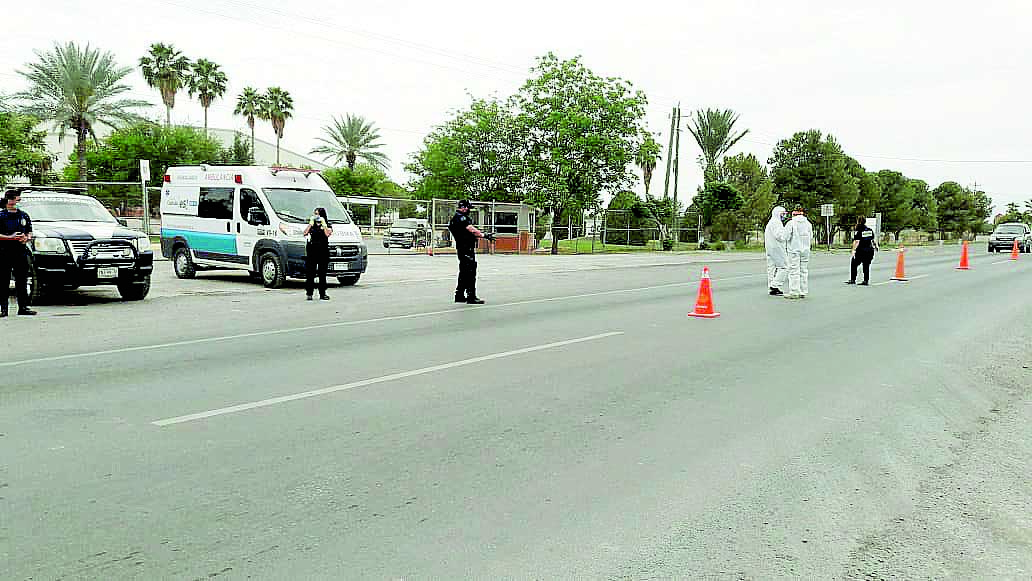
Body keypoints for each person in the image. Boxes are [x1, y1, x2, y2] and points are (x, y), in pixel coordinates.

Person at [447, 200, 493, 304]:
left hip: (463, 248)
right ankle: (471, 296)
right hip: (465, 248)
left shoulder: (456, 218)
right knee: (470, 272)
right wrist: (483, 235)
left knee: (463, 272)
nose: (469, 210)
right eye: (468, 208)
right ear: (463, 207)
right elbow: (470, 229)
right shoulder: (461, 218)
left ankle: (459, 295)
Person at [0, 191, 36, 317]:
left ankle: (23, 307)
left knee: (22, 280)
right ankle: (3, 308)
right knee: (3, 280)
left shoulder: (24, 216)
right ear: (10, 201)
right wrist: (10, 237)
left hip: (20, 252)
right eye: (17, 200)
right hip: (4, 252)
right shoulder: (1, 216)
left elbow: (30, 231)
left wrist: (27, 238)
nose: (18, 203)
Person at [783, 205, 813, 300]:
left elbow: (785, 237)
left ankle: (794, 291)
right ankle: (803, 290)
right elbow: (811, 236)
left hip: (794, 249)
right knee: (803, 270)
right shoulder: (808, 223)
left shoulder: (791, 223)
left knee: (794, 270)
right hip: (806, 249)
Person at [304, 207, 333, 301]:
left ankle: (322, 293)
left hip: (323, 251)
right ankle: (309, 293)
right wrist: (310, 224)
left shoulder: (327, 224)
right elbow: (305, 233)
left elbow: (328, 234)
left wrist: (324, 224)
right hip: (312, 250)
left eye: (318, 214)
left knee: (322, 273)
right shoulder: (312, 225)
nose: (316, 216)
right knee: (310, 272)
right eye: (315, 214)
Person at [764, 205, 789, 296]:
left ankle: (772, 286)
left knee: (771, 268)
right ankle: (775, 285)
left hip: (770, 248)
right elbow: (779, 236)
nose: (784, 216)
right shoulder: (776, 223)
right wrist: (787, 234)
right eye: (783, 214)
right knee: (784, 266)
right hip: (777, 248)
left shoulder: (771, 222)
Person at [846, 216, 878, 286]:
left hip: (861, 251)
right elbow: (873, 240)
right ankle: (866, 280)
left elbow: (857, 241)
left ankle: (852, 279)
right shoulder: (869, 230)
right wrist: (876, 247)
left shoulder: (859, 231)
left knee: (854, 264)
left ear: (858, 221)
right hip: (869, 251)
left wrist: (853, 250)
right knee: (866, 266)